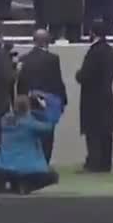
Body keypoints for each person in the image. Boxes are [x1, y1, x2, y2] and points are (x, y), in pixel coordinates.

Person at [0, 93, 61, 195]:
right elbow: (50, 125)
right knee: (53, 176)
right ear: (28, 108)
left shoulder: (4, 120)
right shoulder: (31, 124)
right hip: (26, 170)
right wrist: (46, 103)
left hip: (0, 167)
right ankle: (25, 186)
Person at [17, 29, 68, 164]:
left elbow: (20, 84)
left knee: (30, 135)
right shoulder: (53, 59)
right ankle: (44, 162)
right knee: (47, 136)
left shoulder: (24, 59)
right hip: (47, 103)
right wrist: (62, 101)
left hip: (28, 103)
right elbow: (57, 82)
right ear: (48, 42)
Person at [76, 21, 113, 173]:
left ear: (92, 33)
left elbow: (85, 75)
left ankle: (94, 163)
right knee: (106, 131)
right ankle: (105, 163)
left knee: (93, 131)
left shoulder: (94, 52)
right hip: (107, 96)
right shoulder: (112, 52)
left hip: (92, 97)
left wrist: (78, 75)